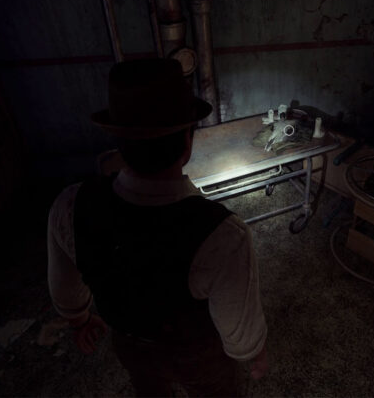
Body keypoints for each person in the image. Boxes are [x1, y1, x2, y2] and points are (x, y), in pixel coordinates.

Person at [47, 59, 268, 396]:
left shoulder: (70, 204)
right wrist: (253, 353)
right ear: (187, 143)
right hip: (199, 357)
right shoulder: (223, 234)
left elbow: (65, 290)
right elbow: (238, 329)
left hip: (132, 348)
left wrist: (79, 319)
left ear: (118, 140)